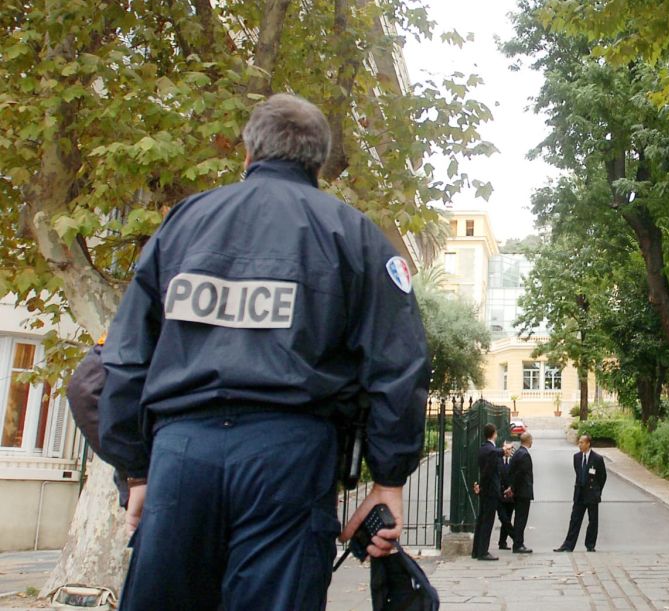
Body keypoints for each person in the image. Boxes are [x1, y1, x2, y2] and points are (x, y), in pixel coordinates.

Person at [98, 93, 430, 611]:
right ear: (317, 162)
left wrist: (136, 471)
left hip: (182, 453)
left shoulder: (183, 224)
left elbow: (123, 356)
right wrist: (389, 478)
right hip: (289, 459)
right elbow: (399, 366)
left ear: (247, 155)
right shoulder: (354, 235)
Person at [554, 434, 606, 553]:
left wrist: (597, 491)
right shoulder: (576, 457)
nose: (580, 445)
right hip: (580, 493)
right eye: (579, 442)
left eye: (582, 442)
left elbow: (602, 477)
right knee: (574, 519)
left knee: (593, 520)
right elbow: (578, 473)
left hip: (592, 493)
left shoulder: (597, 458)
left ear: (588, 444)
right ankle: (568, 545)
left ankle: (590, 544)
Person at [471, 423, 503, 561]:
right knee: (487, 521)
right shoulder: (490, 450)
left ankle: (477, 550)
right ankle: (483, 551)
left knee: (481, 519)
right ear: (494, 434)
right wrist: (482, 485)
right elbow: (488, 472)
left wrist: (479, 485)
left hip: (485, 489)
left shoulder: (483, 448)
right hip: (490, 490)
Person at [507, 432, 535, 554]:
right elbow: (521, 474)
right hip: (523, 491)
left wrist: (512, 487)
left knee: (519, 518)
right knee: (521, 519)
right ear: (528, 441)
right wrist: (513, 488)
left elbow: (512, 471)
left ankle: (518, 543)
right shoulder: (524, 455)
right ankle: (518, 544)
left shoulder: (517, 453)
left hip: (518, 491)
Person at [497, 442, 515, 550]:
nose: (508, 451)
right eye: (507, 449)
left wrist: (512, 488)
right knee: (503, 517)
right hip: (499, 493)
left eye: (510, 449)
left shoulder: (513, 461)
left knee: (508, 517)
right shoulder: (498, 460)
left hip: (510, 494)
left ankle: (502, 542)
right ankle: (515, 537)